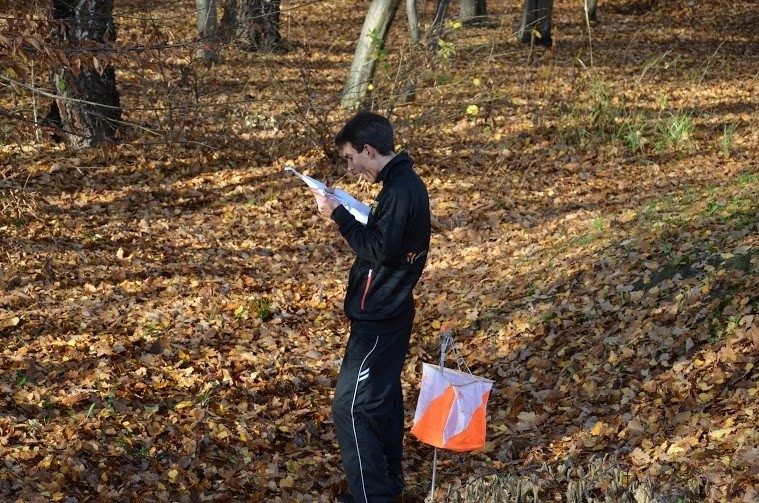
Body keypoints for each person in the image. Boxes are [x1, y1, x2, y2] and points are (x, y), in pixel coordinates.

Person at [311, 111, 431, 503]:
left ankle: (373, 497)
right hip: (385, 312)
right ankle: (389, 484)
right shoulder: (399, 185)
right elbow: (390, 241)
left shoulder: (400, 190)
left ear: (369, 149)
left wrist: (339, 214)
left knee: (352, 409)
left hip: (381, 318)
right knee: (381, 401)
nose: (350, 168)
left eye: (350, 159)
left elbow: (379, 250)